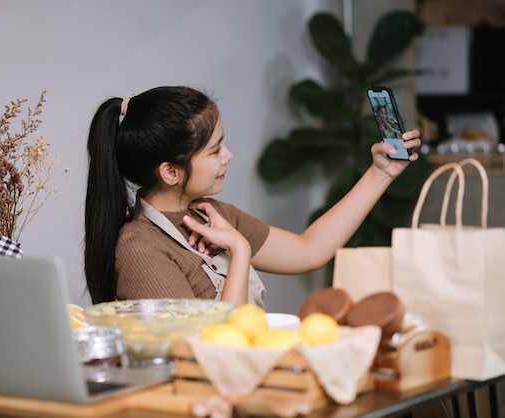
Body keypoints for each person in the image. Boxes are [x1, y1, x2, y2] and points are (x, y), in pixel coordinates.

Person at [83, 86, 421, 307]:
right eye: (214, 151)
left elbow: (309, 250)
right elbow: (206, 350)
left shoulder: (212, 214)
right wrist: (240, 251)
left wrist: (381, 173)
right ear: (170, 172)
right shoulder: (140, 247)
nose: (228, 155)